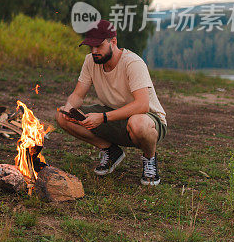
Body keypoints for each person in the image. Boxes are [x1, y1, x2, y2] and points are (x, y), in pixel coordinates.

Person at [56, 19, 168, 185]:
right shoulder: (90, 61)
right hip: (113, 116)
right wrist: (69, 109)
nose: (94, 51)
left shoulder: (133, 63)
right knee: (61, 116)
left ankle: (149, 159)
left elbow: (142, 105)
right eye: (91, 47)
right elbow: (78, 95)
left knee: (138, 122)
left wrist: (103, 118)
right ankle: (111, 151)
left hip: (147, 119)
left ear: (113, 42)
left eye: (98, 46)